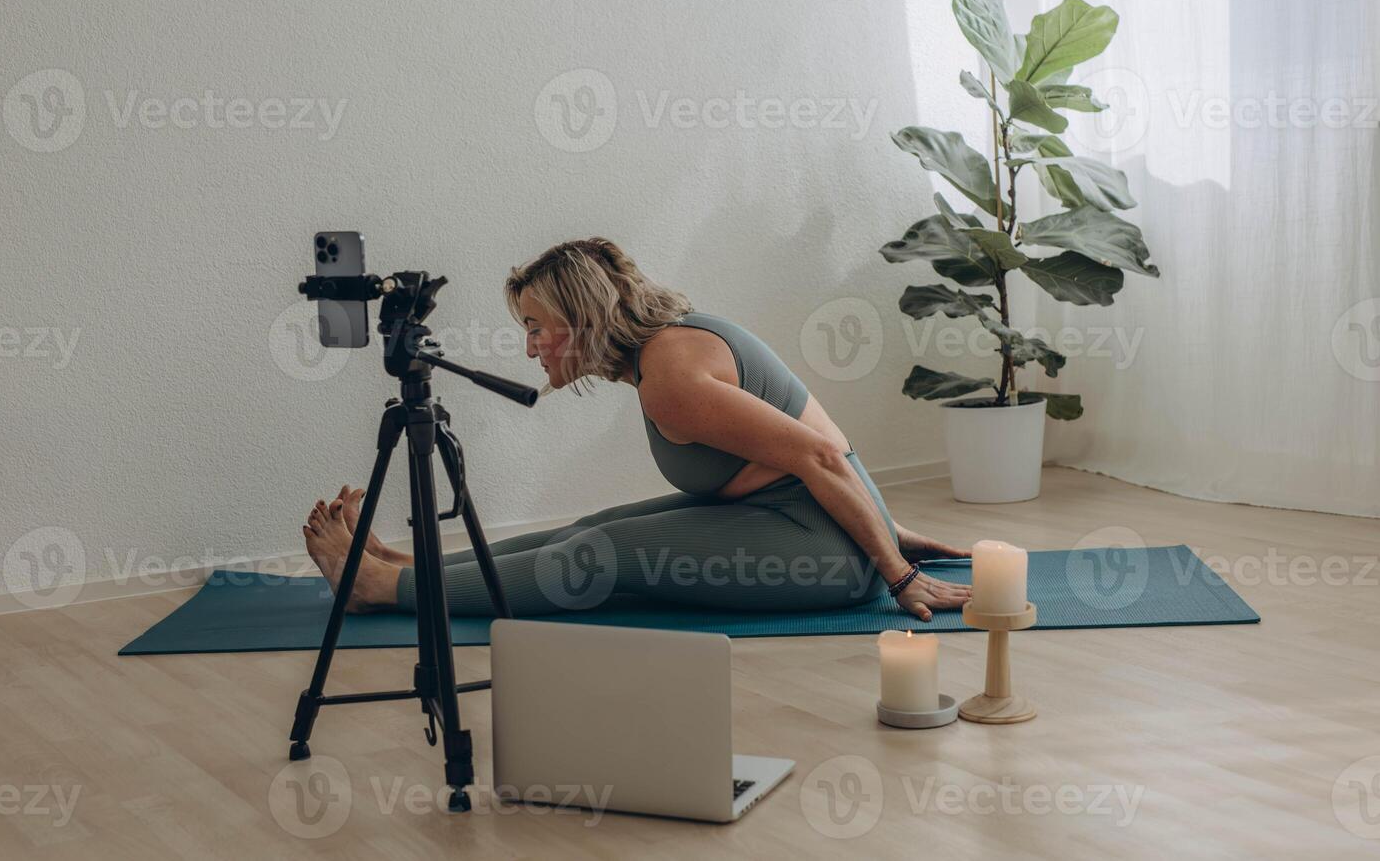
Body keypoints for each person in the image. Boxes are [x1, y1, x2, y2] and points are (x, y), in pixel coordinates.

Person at [302, 237, 972, 620]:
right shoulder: (669, 350)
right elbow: (817, 446)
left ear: (582, 319)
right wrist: (888, 525)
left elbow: (823, 454)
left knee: (604, 554)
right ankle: (411, 567)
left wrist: (896, 571)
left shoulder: (672, 380)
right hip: (810, 523)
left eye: (536, 329)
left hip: (825, 558)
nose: (530, 348)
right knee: (584, 529)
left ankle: (379, 588)